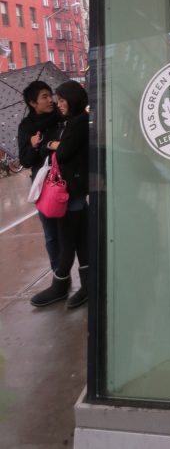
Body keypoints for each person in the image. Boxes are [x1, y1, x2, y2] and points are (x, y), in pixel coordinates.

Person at [30, 81, 89, 310]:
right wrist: (54, 144)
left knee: (66, 241)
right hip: (74, 190)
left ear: (73, 99)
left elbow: (63, 153)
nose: (59, 104)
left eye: (62, 100)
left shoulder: (78, 122)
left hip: (70, 191)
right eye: (58, 100)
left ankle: (60, 284)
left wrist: (52, 144)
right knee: (81, 240)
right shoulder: (73, 121)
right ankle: (87, 284)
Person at [18, 81, 61, 271]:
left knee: (74, 232)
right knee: (51, 234)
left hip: (67, 180)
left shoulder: (61, 116)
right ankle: (59, 275)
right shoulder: (26, 127)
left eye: (50, 95)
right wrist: (34, 145)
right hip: (44, 185)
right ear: (32, 102)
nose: (50, 99)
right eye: (44, 97)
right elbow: (25, 161)